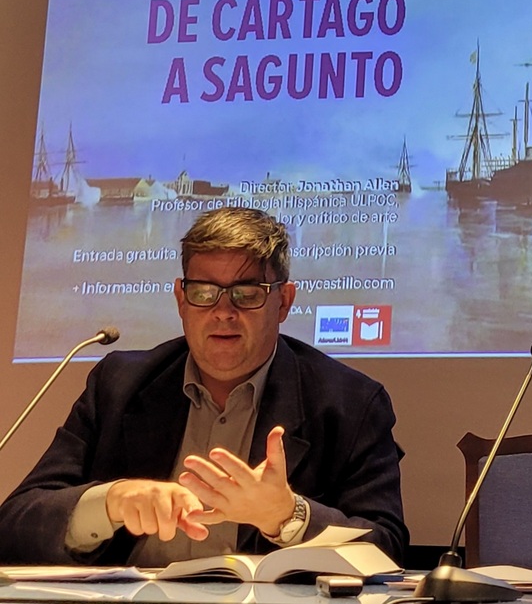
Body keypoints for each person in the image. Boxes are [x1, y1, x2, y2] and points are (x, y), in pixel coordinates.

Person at [0, 206, 408, 566]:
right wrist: (109, 502)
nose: (223, 312)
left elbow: (386, 549)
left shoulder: (349, 402)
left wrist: (288, 517)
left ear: (283, 301)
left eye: (246, 293)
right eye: (203, 292)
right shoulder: (119, 385)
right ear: (181, 299)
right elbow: (14, 525)